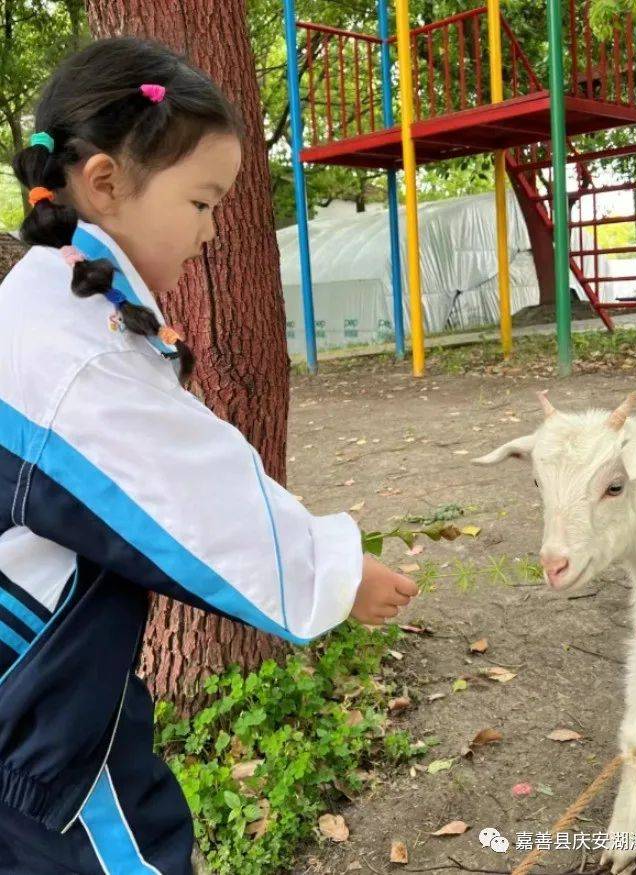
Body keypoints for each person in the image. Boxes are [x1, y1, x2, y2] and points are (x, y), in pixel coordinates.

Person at [0, 36, 418, 874]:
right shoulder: (68, 353)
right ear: (105, 182)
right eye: (201, 202)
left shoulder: (48, 309)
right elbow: (189, 498)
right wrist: (336, 572)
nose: (213, 230)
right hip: (45, 734)